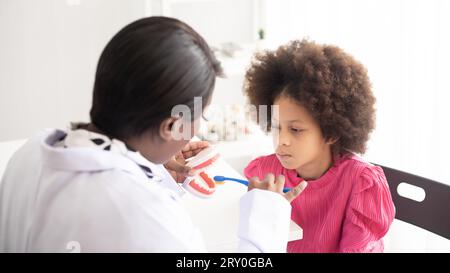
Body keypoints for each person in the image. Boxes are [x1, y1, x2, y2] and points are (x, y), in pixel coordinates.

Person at [0, 17, 306, 252]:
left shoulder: (29, 154)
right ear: (171, 126)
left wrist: (151, 168)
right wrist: (266, 214)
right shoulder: (147, 216)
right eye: (198, 116)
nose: (198, 127)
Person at [243, 39, 395, 252]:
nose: (282, 140)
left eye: (295, 130)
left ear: (331, 131)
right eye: (277, 127)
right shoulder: (262, 173)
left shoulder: (361, 184)